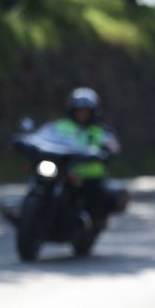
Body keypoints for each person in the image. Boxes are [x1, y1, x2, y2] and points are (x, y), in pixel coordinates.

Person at [52, 87, 118, 218]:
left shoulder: (100, 130)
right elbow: (46, 136)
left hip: (90, 176)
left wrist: (106, 152)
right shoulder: (62, 126)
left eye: (85, 111)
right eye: (79, 110)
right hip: (64, 171)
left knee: (100, 198)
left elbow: (113, 145)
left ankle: (93, 221)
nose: (82, 114)